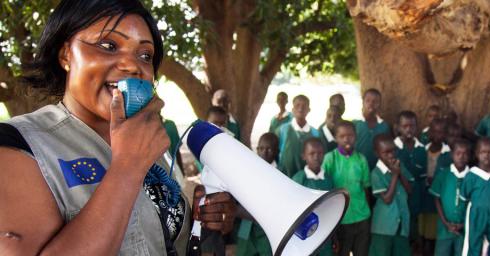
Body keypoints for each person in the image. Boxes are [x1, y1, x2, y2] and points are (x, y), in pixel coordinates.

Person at [0, 1, 235, 254]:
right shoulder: (20, 147)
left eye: (145, 55)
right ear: (66, 54)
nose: (133, 65)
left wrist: (201, 220)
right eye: (109, 46)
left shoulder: (149, 142)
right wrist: (128, 167)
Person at [322, 121, 371, 256]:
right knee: (342, 252)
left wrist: (367, 211)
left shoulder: (361, 159)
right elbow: (324, 188)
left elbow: (366, 188)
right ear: (336, 138)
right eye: (342, 136)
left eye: (350, 135)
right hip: (341, 219)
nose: (346, 139)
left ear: (355, 136)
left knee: (361, 252)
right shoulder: (330, 159)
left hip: (362, 217)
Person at [459, 137, 490, 256]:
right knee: (473, 241)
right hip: (477, 214)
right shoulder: (472, 175)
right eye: (483, 152)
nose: (486, 155)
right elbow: (464, 196)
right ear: (477, 154)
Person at [369, 134, 413, 256]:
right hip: (383, 227)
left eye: (393, 151)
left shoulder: (399, 166)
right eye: (386, 152)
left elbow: (409, 190)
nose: (391, 155)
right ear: (377, 153)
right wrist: (394, 175)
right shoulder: (376, 174)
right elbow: (387, 199)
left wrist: (400, 173)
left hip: (402, 225)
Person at [235, 133, 279, 256]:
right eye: (261, 148)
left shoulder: (281, 175)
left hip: (267, 230)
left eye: (269, 149)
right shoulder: (249, 170)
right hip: (246, 225)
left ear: (276, 151)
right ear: (257, 149)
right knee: (244, 251)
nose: (264, 152)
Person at [292, 138, 334, 256]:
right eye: (311, 153)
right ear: (303, 156)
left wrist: (334, 236)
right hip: (304, 234)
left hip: (325, 232)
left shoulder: (328, 179)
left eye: (320, 153)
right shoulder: (299, 179)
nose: (316, 157)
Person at [429, 139, 471, 256]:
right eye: (458, 153)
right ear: (452, 155)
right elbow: (436, 198)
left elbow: (474, 204)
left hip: (464, 229)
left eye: (465, 154)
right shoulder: (444, 174)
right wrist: (445, 222)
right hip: (444, 228)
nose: (461, 157)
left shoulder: (472, 177)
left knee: (462, 252)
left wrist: (463, 224)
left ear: (469, 156)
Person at [393, 110, 427, 253]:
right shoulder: (393, 147)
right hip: (398, 195)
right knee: (399, 228)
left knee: (413, 227)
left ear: (416, 127)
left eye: (412, 126)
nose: (408, 129)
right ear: (398, 128)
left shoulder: (421, 149)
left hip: (415, 197)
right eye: (405, 126)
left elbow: (422, 176)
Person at [421, 118, 452, 253]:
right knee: (422, 230)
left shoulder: (449, 154)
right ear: (429, 132)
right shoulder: (422, 149)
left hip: (438, 199)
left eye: (441, 132)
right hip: (423, 196)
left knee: (432, 234)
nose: (437, 135)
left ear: (445, 135)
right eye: (434, 132)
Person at [276, 95, 320, 177]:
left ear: (309, 110)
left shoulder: (315, 133)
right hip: (284, 177)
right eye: (297, 105)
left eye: (304, 106)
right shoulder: (282, 130)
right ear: (292, 110)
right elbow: (276, 154)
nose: (300, 109)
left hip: (306, 179)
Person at [353, 88, 391, 169]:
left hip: (377, 168)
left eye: (375, 102)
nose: (371, 104)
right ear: (363, 102)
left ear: (380, 104)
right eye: (368, 100)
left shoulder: (384, 126)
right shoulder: (355, 124)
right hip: (357, 167)